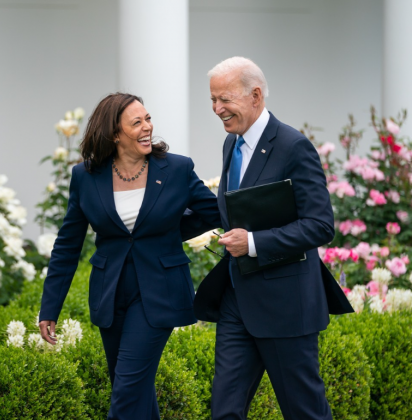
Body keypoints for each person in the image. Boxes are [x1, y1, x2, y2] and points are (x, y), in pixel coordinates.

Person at [38, 92, 221, 420]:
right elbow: (67, 245)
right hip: (110, 294)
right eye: (137, 122)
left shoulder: (176, 169)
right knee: (134, 392)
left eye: (148, 119)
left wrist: (168, 236)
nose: (147, 127)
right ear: (114, 133)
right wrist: (49, 308)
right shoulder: (85, 175)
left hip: (159, 292)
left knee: (125, 393)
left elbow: (214, 213)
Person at [201, 56, 352, 420]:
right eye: (212, 100)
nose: (217, 109)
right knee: (224, 411)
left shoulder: (293, 146)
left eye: (224, 99)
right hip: (237, 302)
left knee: (304, 413)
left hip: (287, 306)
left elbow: (320, 225)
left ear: (255, 95)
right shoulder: (231, 145)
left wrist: (253, 243)